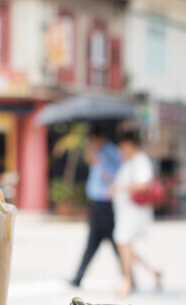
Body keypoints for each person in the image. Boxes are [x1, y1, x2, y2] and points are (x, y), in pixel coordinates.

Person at [111, 129, 162, 295]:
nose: (121, 150)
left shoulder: (140, 160)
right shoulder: (130, 162)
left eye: (122, 147)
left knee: (122, 242)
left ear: (129, 145)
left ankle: (127, 280)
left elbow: (144, 184)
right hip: (127, 212)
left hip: (134, 211)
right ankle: (153, 271)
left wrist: (121, 187)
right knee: (125, 246)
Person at [69, 126, 121, 287]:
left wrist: (102, 164)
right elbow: (90, 163)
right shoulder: (96, 151)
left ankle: (129, 277)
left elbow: (114, 174)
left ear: (99, 137)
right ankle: (78, 277)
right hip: (97, 204)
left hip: (106, 203)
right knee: (96, 242)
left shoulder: (110, 151)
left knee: (110, 241)